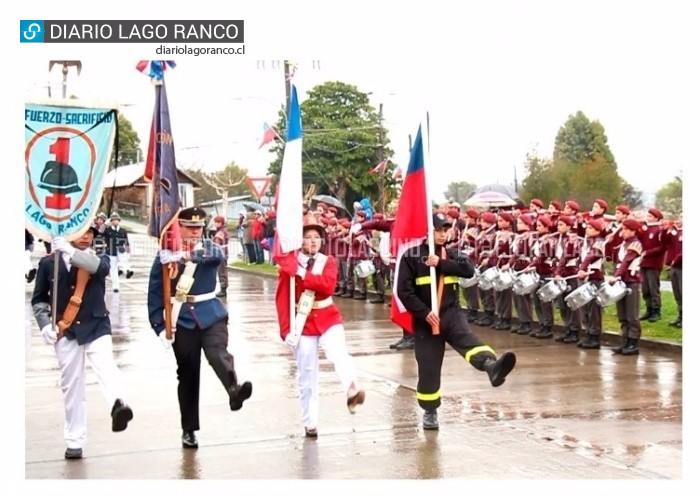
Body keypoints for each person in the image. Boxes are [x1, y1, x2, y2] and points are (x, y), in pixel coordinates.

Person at [396, 213, 516, 430]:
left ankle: (491, 366)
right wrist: (424, 313)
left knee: (467, 339)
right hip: (426, 320)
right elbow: (403, 291)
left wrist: (441, 263)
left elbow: (468, 270)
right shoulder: (411, 256)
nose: (443, 234)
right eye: (438, 230)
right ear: (427, 231)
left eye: (445, 230)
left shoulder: (452, 254)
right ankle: (430, 411)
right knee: (429, 366)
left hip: (451, 313)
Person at [147, 206, 252, 449]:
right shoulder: (165, 256)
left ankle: (233, 389)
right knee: (188, 374)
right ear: (179, 228)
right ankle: (189, 429)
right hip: (182, 319)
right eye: (190, 227)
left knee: (218, 352)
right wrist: (159, 327)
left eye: (199, 227)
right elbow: (154, 294)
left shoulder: (208, 247)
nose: (195, 232)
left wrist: (186, 257)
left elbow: (217, 257)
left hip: (210, 314)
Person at [30, 226, 134, 460]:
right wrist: (45, 324)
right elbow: (38, 300)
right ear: (69, 233)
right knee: (72, 385)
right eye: (81, 232)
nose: (87, 236)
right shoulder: (49, 264)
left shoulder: (99, 258)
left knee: (106, 365)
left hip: (97, 324)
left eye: (90, 233)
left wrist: (70, 251)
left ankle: (119, 405)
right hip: (65, 330)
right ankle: (74, 440)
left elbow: (101, 268)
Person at [275, 221, 366, 438]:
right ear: (300, 241)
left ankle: (352, 388)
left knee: (337, 352)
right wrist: (286, 330)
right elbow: (282, 299)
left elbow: (327, 286)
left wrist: (302, 273)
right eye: (308, 237)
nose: (313, 241)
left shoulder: (329, 261)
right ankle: (310, 422)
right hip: (302, 322)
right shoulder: (290, 265)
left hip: (327, 317)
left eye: (317, 237)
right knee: (307, 374)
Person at [103, 212, 133, 292]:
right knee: (113, 270)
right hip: (111, 252)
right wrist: (105, 223)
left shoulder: (123, 231)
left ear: (119, 221)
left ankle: (127, 271)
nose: (115, 221)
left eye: (117, 220)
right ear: (111, 221)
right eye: (113, 220)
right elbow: (100, 232)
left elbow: (126, 242)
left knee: (124, 263)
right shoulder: (107, 230)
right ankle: (115, 287)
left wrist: (128, 251)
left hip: (121, 251)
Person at [211, 215, 230, 297]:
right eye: (215, 222)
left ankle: (223, 289)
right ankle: (223, 288)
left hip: (221, 253)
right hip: (223, 252)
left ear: (221, 223)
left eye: (218, 222)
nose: (216, 224)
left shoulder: (221, 232)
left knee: (222, 271)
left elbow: (217, 243)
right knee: (222, 270)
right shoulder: (222, 230)